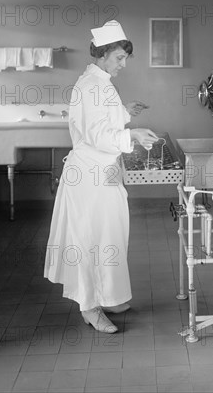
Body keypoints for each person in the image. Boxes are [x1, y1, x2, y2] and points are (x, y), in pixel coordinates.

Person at [44, 20, 158, 333]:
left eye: (125, 58)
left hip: (102, 173)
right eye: (119, 58)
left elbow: (104, 118)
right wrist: (132, 135)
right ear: (103, 53)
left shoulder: (100, 81)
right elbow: (95, 134)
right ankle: (90, 307)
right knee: (91, 241)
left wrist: (125, 111)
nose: (124, 63)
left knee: (111, 237)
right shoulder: (91, 85)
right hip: (89, 177)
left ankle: (110, 296)